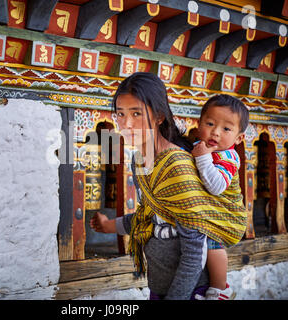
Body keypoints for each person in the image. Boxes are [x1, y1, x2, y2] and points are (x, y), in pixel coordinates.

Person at [90, 72, 247, 300]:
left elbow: (195, 251)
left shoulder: (176, 165)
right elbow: (151, 217)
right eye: (121, 114)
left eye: (137, 114)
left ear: (159, 116)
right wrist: (109, 226)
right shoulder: (140, 161)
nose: (127, 124)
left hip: (191, 291)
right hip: (161, 286)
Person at [191, 94, 249, 300]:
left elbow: (216, 186)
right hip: (209, 212)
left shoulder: (228, 157)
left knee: (213, 245)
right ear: (199, 124)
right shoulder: (201, 146)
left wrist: (203, 158)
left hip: (227, 214)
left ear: (239, 138)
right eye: (210, 123)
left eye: (226, 129)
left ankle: (220, 288)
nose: (215, 132)